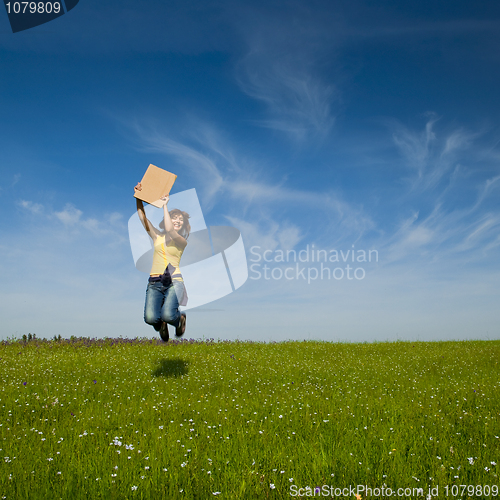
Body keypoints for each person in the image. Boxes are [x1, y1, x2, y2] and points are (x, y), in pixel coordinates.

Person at [134, 182, 191, 341]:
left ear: (183, 225)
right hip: (155, 282)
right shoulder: (157, 237)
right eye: (175, 218)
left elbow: (170, 230)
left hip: (175, 282)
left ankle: (180, 319)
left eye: (180, 220)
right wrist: (138, 196)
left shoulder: (181, 241)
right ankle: (162, 325)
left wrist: (165, 206)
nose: (177, 221)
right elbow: (142, 216)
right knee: (151, 319)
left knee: (167, 314)